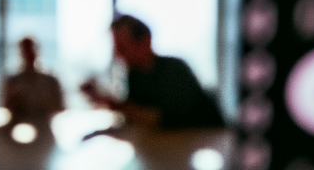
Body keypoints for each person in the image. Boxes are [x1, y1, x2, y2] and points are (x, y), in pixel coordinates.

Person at [81, 15, 223, 130]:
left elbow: (161, 119)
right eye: (116, 48)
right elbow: (136, 117)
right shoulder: (134, 75)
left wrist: (113, 104)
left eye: (123, 47)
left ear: (146, 41)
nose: (118, 55)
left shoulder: (174, 70)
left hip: (209, 139)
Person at [2, 37, 65, 128]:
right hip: (19, 127)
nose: (28, 53)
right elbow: (6, 107)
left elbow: (60, 107)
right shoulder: (13, 81)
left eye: (31, 49)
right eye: (25, 49)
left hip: (45, 127)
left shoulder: (50, 80)